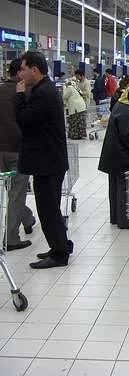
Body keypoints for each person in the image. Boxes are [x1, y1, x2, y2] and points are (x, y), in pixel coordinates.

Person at [14, 51, 73, 269]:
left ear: (35, 70)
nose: (21, 73)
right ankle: (61, 245)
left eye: (23, 69)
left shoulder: (42, 93)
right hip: (50, 160)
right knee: (51, 208)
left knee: (47, 209)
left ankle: (59, 254)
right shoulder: (46, 89)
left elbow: (24, 121)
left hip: (47, 162)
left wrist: (20, 96)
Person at [98, 83, 129, 229]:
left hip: (113, 155)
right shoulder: (128, 111)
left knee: (115, 187)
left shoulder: (120, 105)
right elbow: (128, 136)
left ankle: (115, 217)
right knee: (125, 188)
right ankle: (125, 220)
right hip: (123, 157)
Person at [0, 58, 35, 252]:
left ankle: (28, 218)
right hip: (18, 150)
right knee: (16, 194)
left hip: (0, 150)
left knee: (12, 193)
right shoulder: (26, 93)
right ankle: (11, 239)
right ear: (20, 73)